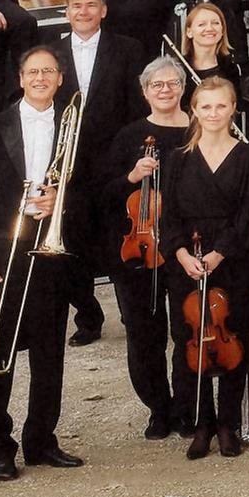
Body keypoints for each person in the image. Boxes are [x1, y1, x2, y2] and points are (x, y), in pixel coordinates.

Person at [0, 46, 82, 482]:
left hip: (50, 253)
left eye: (48, 71)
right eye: (33, 71)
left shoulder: (75, 128)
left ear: (60, 77)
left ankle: (41, 441)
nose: (41, 78)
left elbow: (88, 189)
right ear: (20, 78)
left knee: (49, 355)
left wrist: (61, 204)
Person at [162, 75, 249, 459]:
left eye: (221, 105)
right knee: (192, 341)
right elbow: (168, 217)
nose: (213, 113)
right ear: (194, 110)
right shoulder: (177, 159)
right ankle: (201, 424)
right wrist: (183, 255)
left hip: (235, 260)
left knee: (233, 339)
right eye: (206, 106)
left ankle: (228, 425)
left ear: (233, 108)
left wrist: (219, 253)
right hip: (187, 263)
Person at [99, 56, 193, 438]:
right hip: (139, 248)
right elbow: (103, 194)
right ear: (145, 92)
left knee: (188, 328)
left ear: (184, 89)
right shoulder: (129, 136)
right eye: (157, 85)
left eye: (173, 83)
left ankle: (189, 407)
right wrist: (131, 176)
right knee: (143, 334)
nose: (166, 90)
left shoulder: (201, 129)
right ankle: (159, 407)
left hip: (186, 244)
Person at [50, 0, 149, 347]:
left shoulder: (128, 49)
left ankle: (131, 314)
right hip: (72, 166)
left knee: (118, 240)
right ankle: (88, 318)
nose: (84, 12)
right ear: (67, 12)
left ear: (103, 11)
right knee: (74, 244)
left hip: (116, 161)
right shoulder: (52, 53)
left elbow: (137, 108)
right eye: (77, 6)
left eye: (91, 5)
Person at [177, 1, 244, 105]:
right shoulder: (177, 69)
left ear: (222, 31)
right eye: (201, 24)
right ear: (189, 32)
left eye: (215, 23)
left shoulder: (231, 68)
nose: (209, 28)